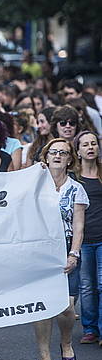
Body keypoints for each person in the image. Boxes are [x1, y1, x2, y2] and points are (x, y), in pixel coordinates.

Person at [34, 138, 87, 360]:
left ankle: (66, 342)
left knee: (66, 307)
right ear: (45, 157)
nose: (57, 155)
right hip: (40, 248)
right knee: (43, 305)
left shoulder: (76, 189)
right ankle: (44, 354)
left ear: (69, 159)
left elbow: (78, 227)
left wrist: (74, 254)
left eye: (63, 153)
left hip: (66, 246)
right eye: (53, 152)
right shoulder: (34, 185)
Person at [75, 131, 102, 345]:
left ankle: (101, 328)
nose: (91, 147)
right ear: (78, 151)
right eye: (85, 144)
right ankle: (90, 328)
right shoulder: (75, 178)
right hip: (83, 239)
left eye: (94, 143)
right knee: (86, 285)